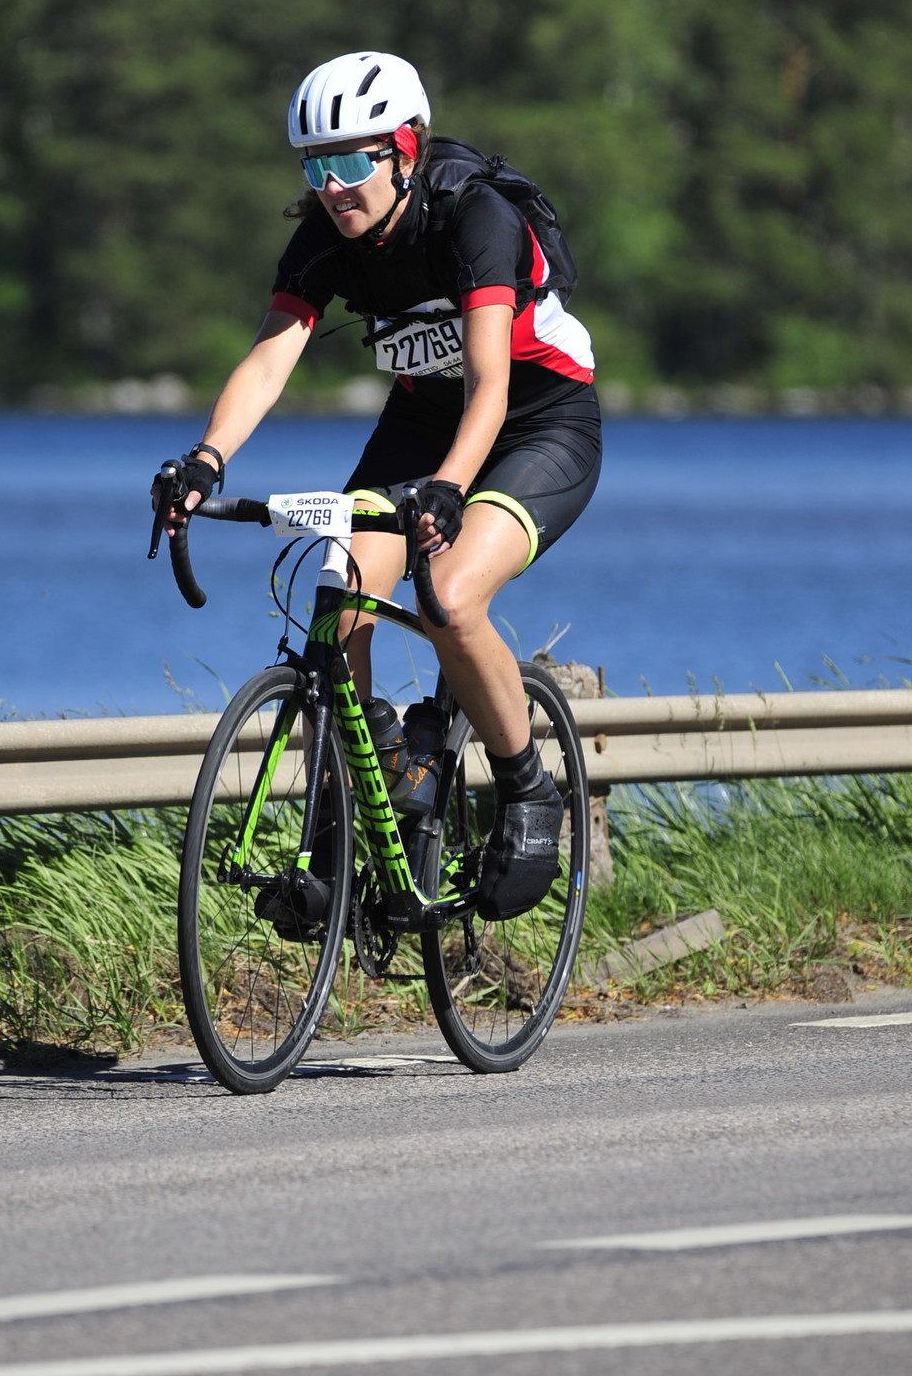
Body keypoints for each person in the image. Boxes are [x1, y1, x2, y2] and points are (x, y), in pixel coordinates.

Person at [159, 50, 601, 925]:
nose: (331, 186)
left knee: (450, 600)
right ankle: (354, 809)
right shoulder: (326, 238)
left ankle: (529, 791)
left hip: (537, 423)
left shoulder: (475, 218)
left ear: (403, 149)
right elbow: (271, 356)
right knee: (339, 595)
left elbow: (490, 385)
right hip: (421, 426)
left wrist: (449, 489)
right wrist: (205, 460)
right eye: (314, 166)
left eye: (349, 161)